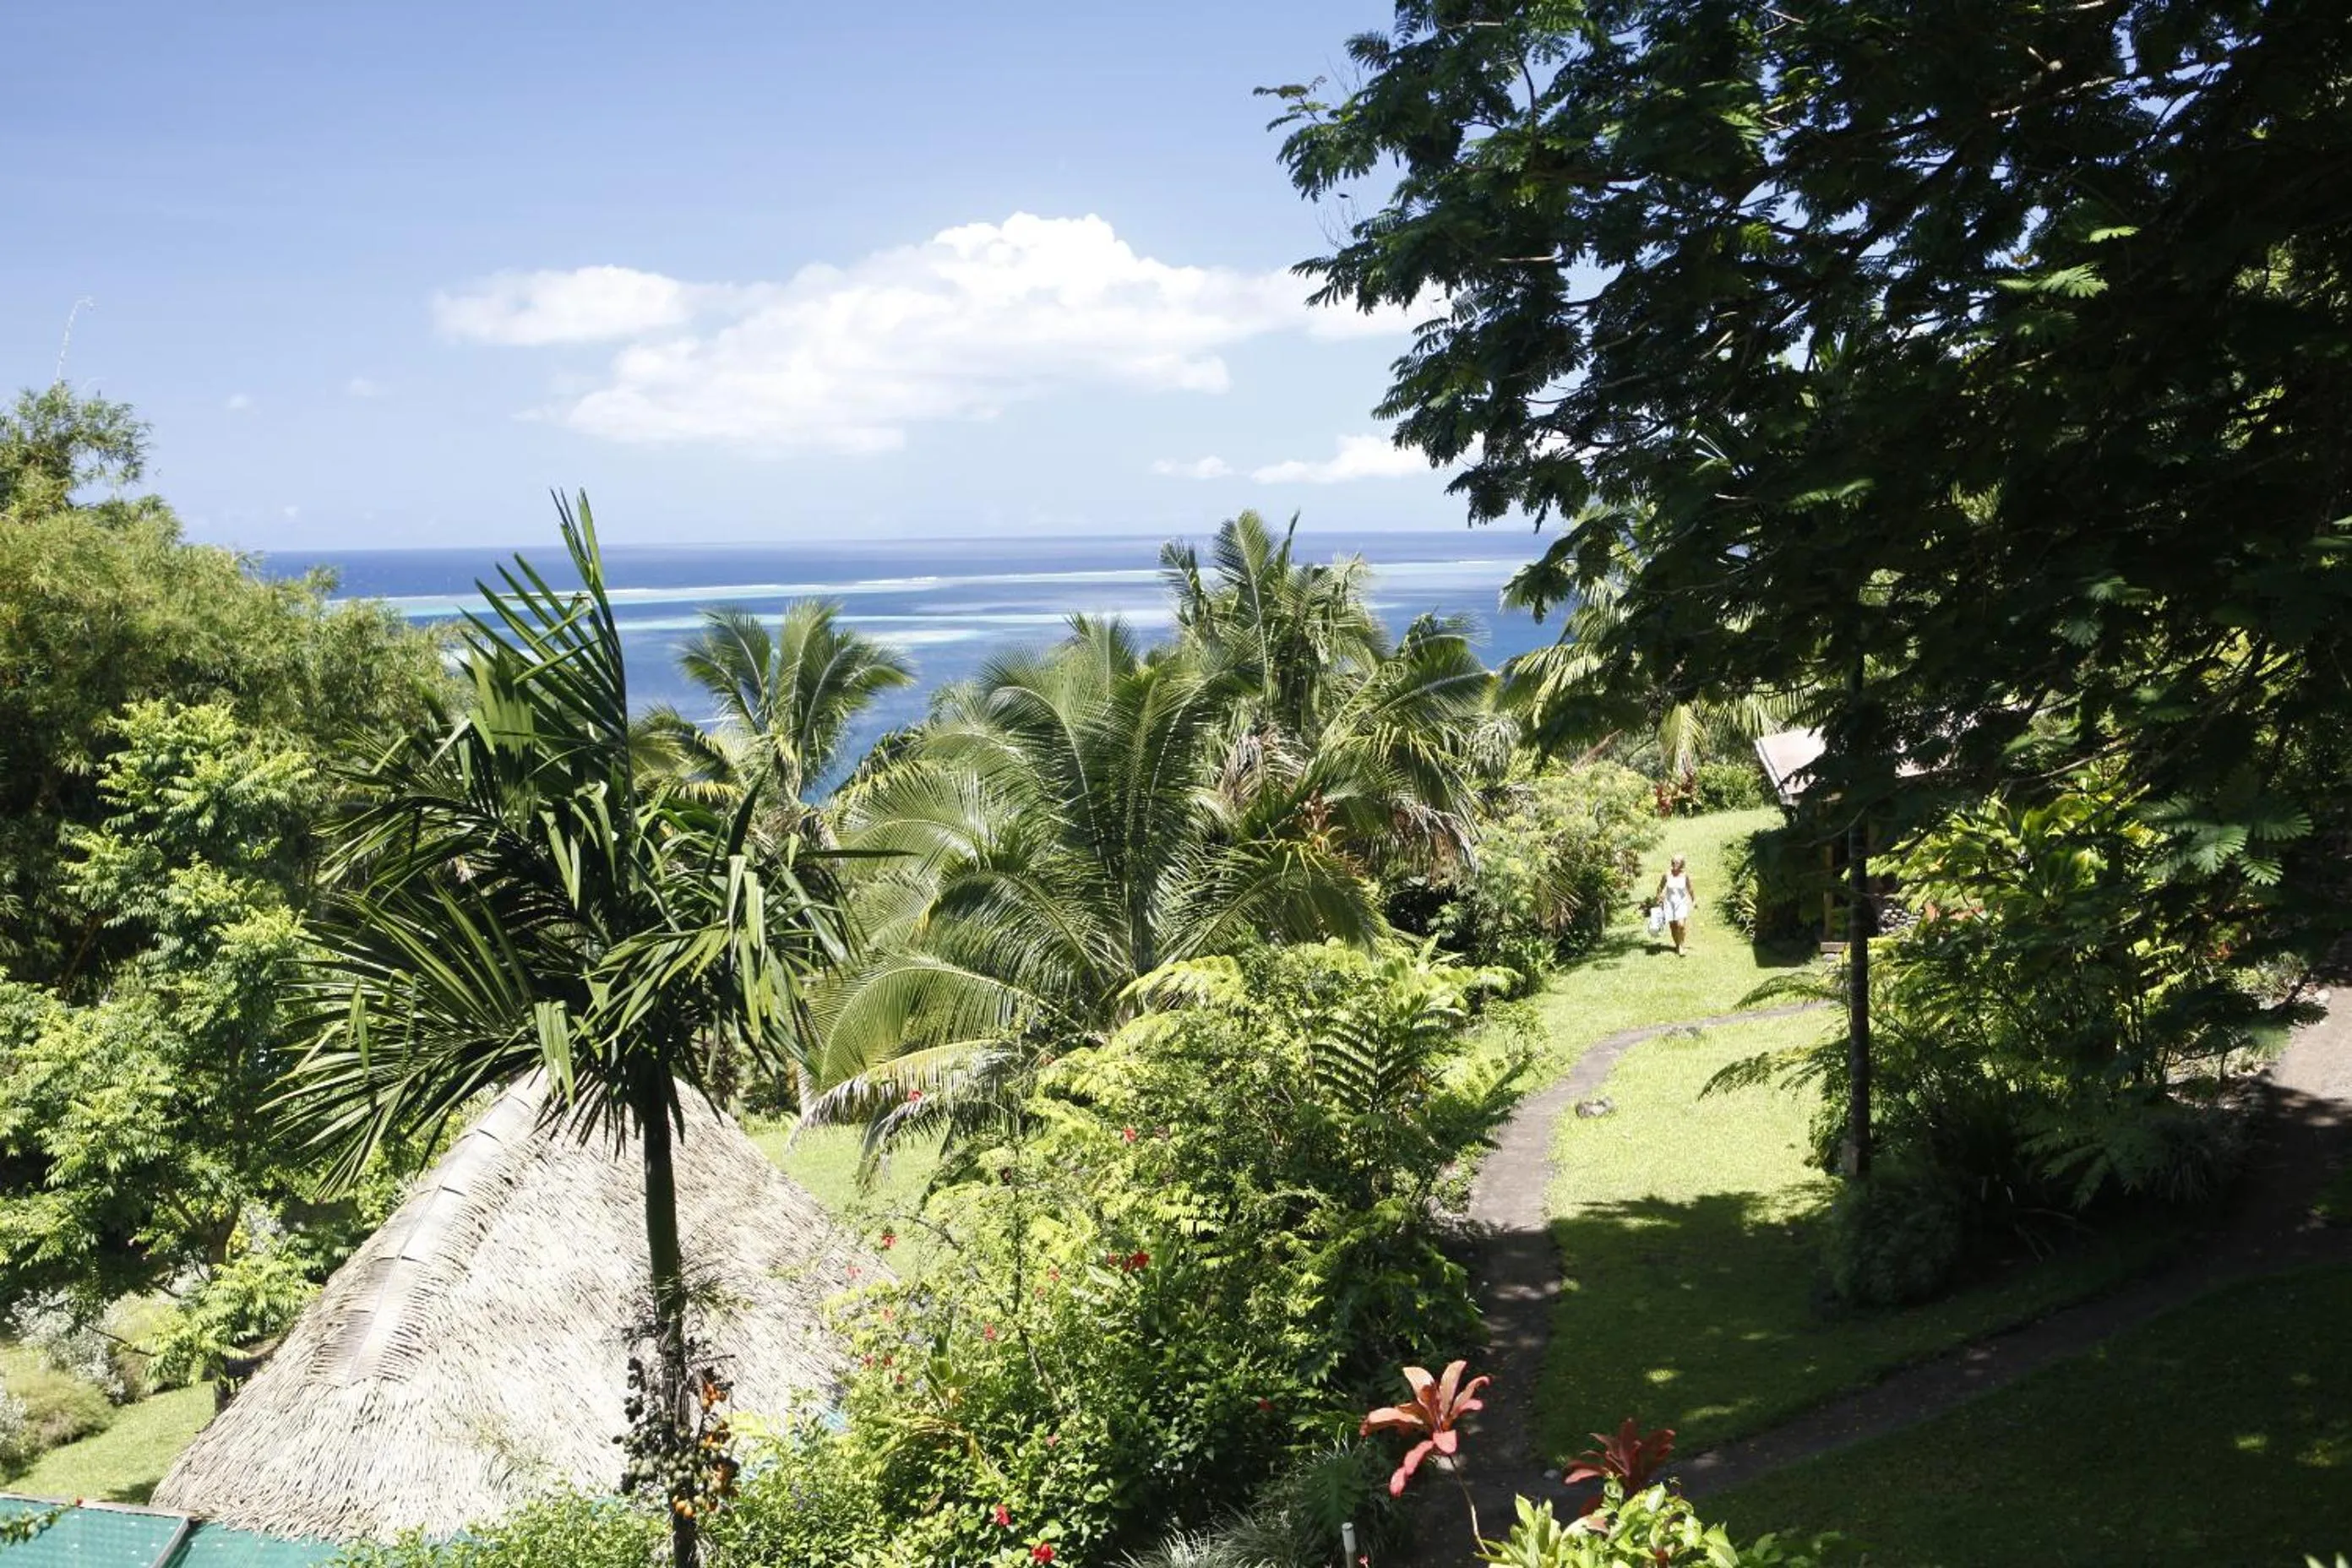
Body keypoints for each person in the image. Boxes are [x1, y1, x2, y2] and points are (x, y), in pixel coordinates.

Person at [1653, 854, 1696, 957]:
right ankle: (1677, 944)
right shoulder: (1667, 875)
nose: (1674, 864)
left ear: (1681, 864)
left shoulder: (1685, 876)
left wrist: (1694, 900)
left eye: (1677, 862)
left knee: (1681, 925)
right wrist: (1658, 898)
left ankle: (1681, 945)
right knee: (1673, 927)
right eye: (1673, 862)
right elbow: (1660, 887)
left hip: (1681, 903)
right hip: (1669, 903)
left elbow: (1690, 889)